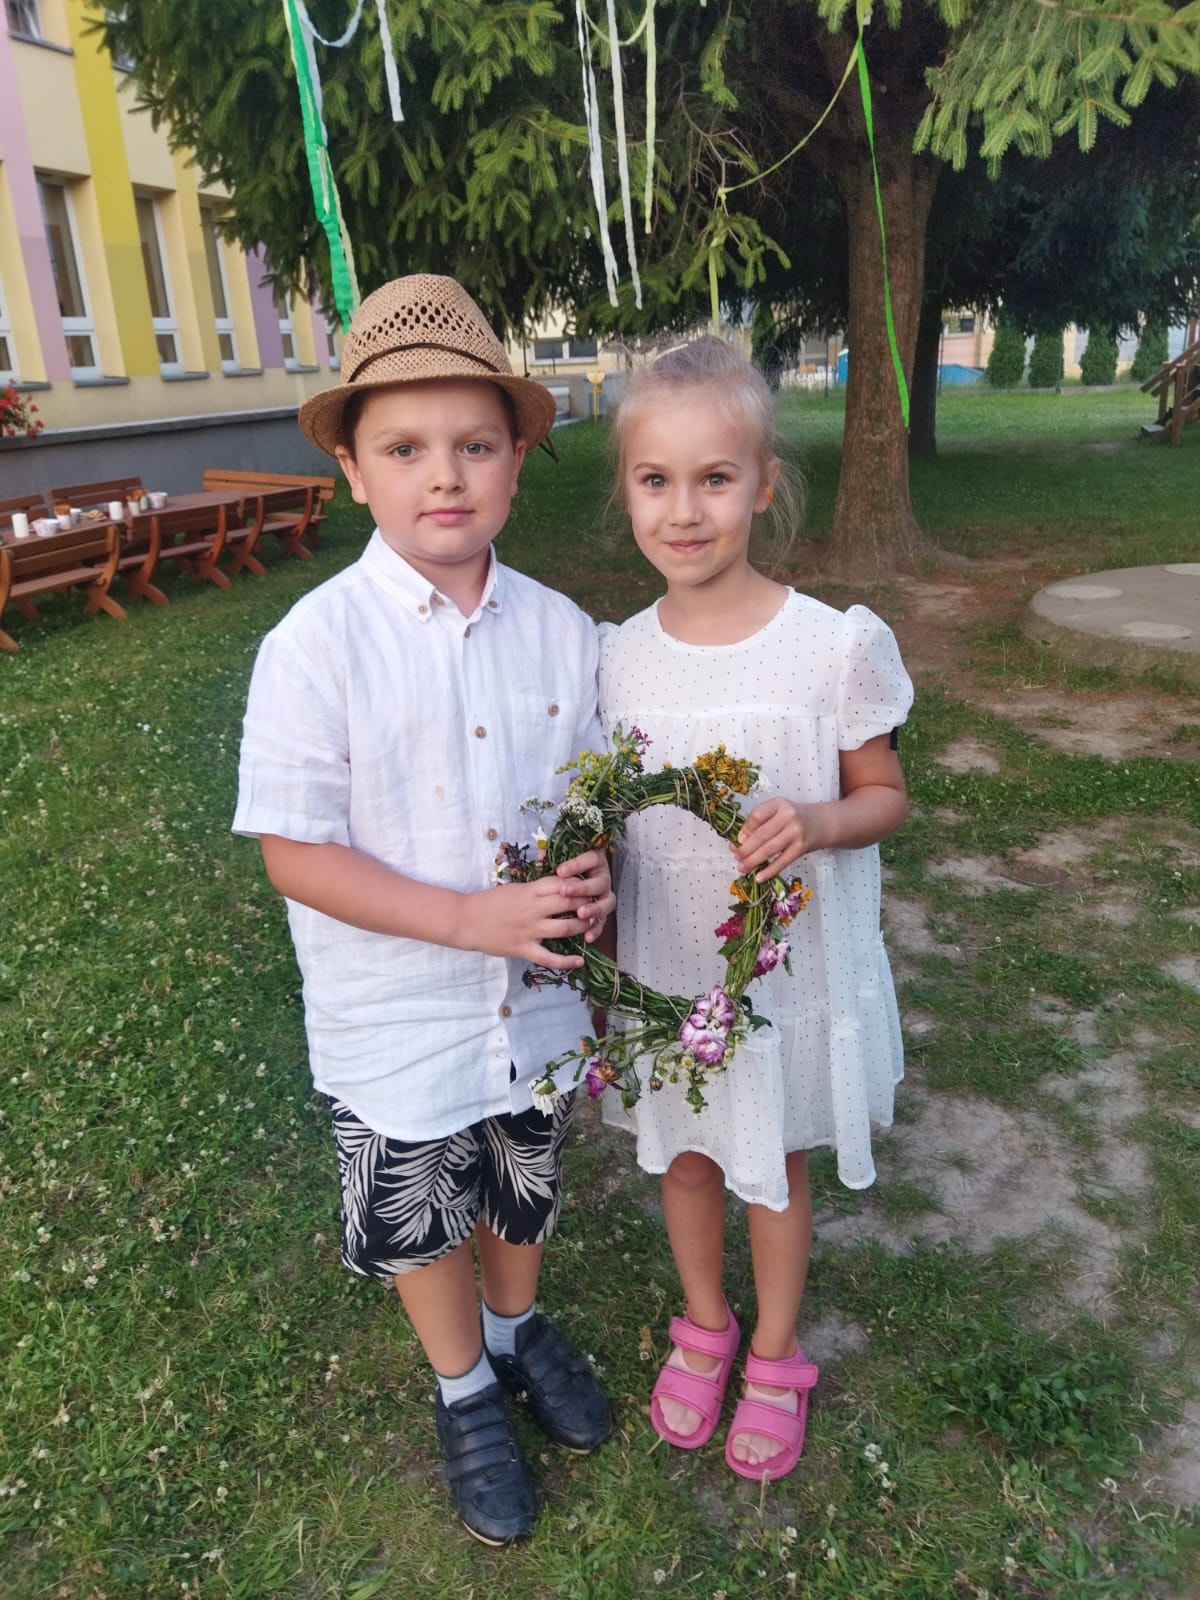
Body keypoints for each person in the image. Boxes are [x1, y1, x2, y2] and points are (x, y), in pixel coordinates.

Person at [233, 275, 614, 1546]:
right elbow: (295, 852)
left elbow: (591, 800)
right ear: (352, 469)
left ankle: (517, 1329)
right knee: (424, 1214)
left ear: (516, 461)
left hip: (534, 1001)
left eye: (474, 445)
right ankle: (464, 1387)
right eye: (403, 449)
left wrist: (594, 869)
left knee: (520, 1180)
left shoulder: (565, 632)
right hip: (395, 1018)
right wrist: (465, 921)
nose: (443, 475)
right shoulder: (315, 644)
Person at [597, 336, 913, 1482]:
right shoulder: (615, 659)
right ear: (628, 488)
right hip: (671, 965)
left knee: (772, 1160)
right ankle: (705, 1322)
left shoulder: (828, 646)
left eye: (715, 478)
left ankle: (776, 1350)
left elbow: (885, 794)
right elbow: (611, 813)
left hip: (777, 978)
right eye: (656, 479)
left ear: (764, 485)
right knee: (687, 1157)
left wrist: (818, 821)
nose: (684, 510)